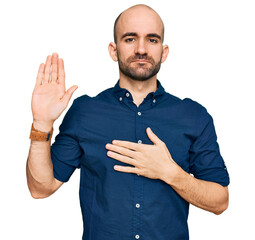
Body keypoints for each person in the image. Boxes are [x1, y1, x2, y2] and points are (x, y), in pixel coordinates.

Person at [26, 4, 230, 240]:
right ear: (114, 50)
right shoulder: (85, 112)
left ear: (164, 52)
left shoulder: (193, 116)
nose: (141, 49)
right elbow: (40, 188)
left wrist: (172, 173)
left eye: (152, 40)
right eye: (130, 39)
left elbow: (220, 201)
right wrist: (41, 124)